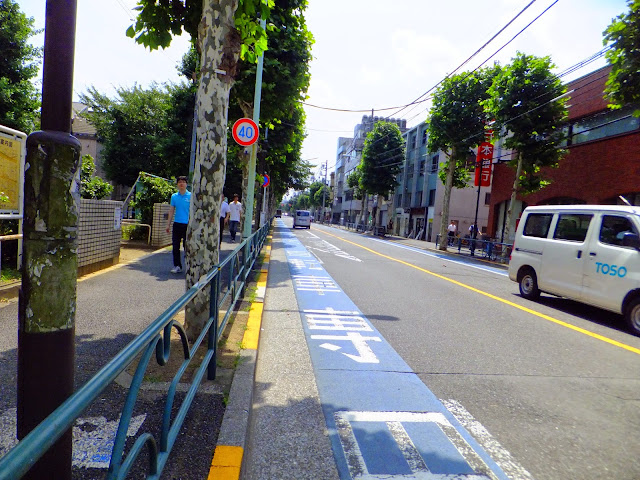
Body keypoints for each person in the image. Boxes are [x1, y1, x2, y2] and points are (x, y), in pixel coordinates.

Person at [165, 176, 191, 273]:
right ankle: (177, 265)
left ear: (186, 184)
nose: (181, 184)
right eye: (179, 182)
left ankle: (189, 265)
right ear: (177, 184)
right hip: (177, 224)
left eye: (183, 182)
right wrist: (168, 224)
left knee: (187, 246)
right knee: (175, 246)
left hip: (187, 225)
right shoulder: (174, 196)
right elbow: (171, 211)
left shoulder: (190, 196)